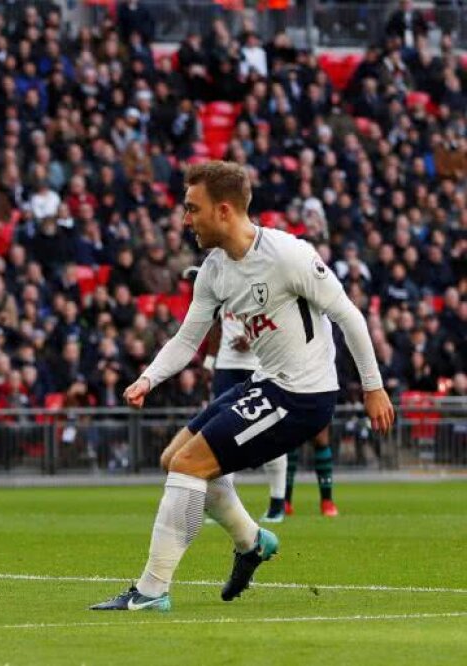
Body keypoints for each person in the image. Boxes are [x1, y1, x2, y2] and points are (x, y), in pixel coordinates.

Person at [91, 162, 393, 612]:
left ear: (225, 210)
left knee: (190, 465)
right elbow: (188, 338)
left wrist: (374, 387)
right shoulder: (214, 269)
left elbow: (348, 314)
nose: (185, 219)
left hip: (304, 395)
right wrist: (148, 377)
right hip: (267, 383)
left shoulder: (288, 254)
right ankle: (252, 541)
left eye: (193, 209)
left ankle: (152, 590)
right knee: (174, 459)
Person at [204, 308, 289, 523]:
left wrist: (252, 340)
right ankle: (222, 504)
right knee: (221, 436)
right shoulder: (221, 283)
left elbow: (281, 326)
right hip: (226, 369)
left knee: (272, 432)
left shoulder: (266, 284)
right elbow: (216, 324)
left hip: (260, 367)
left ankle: (277, 503)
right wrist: (209, 360)